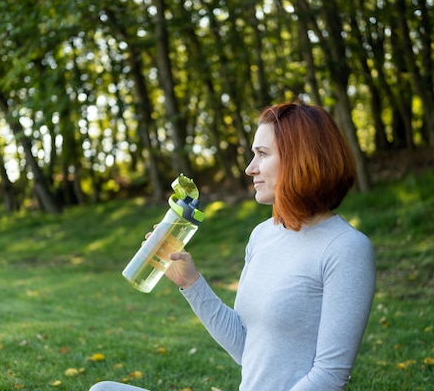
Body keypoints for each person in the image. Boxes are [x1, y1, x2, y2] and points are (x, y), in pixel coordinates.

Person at [89, 101, 376, 391]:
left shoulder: (346, 248)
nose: (250, 169)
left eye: (262, 154)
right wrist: (190, 282)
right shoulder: (263, 235)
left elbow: (330, 376)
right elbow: (245, 348)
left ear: (301, 159)